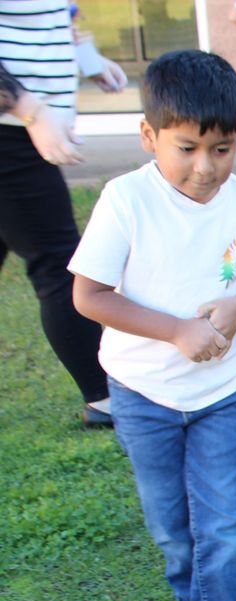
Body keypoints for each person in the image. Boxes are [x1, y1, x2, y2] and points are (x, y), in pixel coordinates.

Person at [69, 50, 236, 601]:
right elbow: (89, 295)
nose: (205, 168)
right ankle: (197, 597)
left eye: (221, 149)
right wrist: (175, 330)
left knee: (224, 517)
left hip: (220, 393)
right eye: (187, 148)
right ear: (149, 136)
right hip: (143, 395)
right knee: (172, 520)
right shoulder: (127, 199)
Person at [0, 0, 127, 428]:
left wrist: (85, 56)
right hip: (11, 133)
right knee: (58, 265)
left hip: (21, 131)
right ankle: (105, 396)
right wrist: (28, 110)